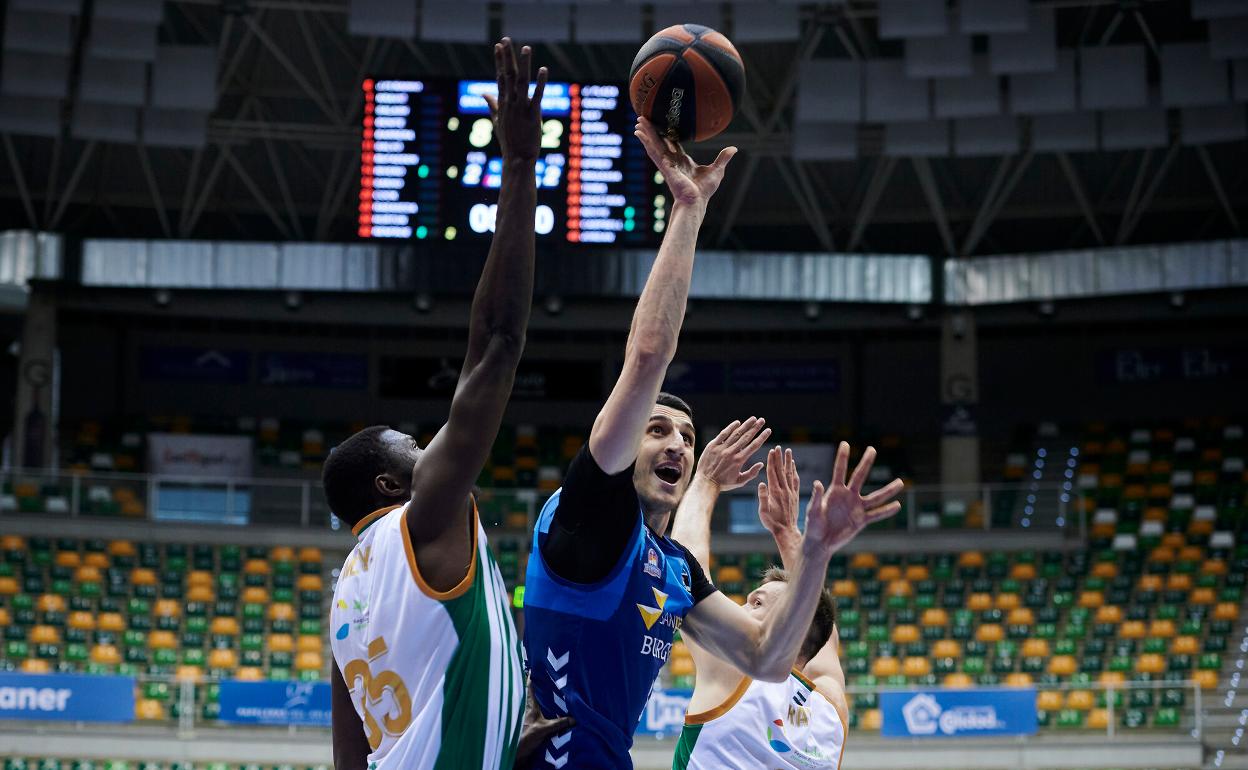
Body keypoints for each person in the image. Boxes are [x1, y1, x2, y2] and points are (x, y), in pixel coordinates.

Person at [521, 117, 896, 768]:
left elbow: (767, 657)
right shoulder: (593, 511)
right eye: (657, 429)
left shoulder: (675, 569)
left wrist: (816, 554)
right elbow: (646, 359)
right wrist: (688, 212)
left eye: (687, 437)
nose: (676, 444)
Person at [324, 38, 556, 770]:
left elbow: (352, 761)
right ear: (393, 484)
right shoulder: (423, 514)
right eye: (413, 447)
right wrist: (519, 168)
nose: (434, 449)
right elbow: (498, 341)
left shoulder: (344, 607)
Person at [670, 436, 903, 769]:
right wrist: (791, 536)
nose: (742, 605)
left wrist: (706, 481)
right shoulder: (830, 707)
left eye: (757, 603)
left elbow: (684, 570)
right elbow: (820, 633)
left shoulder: (732, 671)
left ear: (788, 627)